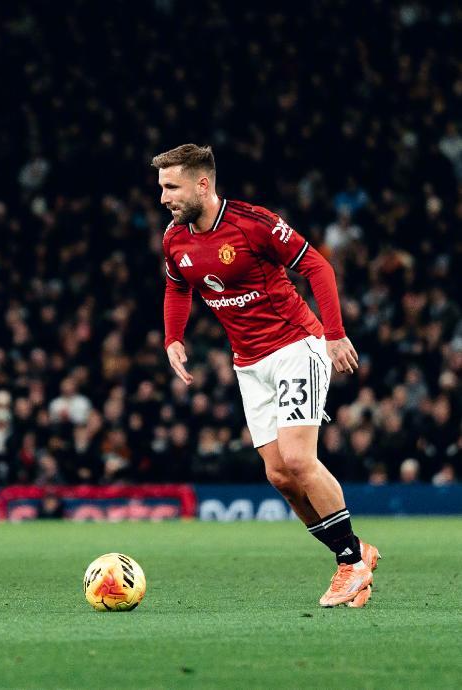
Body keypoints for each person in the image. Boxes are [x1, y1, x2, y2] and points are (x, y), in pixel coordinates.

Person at [152, 143, 381, 608]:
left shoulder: (252, 223)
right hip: (248, 364)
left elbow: (317, 265)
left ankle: (351, 565)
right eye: (161, 188)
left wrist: (335, 334)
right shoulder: (175, 239)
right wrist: (173, 338)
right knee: (279, 475)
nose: (163, 198)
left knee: (298, 458)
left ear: (203, 184)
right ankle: (355, 550)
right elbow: (177, 287)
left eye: (171, 187)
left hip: (296, 346)